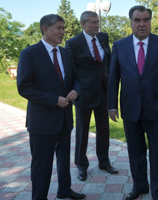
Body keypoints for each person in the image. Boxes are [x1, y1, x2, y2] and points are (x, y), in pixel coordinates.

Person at [107, 5, 158, 200]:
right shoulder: (119, 46)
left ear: (150, 22)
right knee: (135, 153)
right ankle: (140, 187)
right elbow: (113, 78)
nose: (141, 24)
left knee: (157, 156)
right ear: (130, 22)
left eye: (146, 20)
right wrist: (112, 105)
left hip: (156, 109)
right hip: (130, 109)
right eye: (137, 20)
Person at [17, 14, 85, 200]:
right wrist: (53, 99)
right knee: (42, 165)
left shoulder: (66, 54)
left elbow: (76, 79)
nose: (63, 32)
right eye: (59, 28)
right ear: (46, 29)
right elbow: (24, 87)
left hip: (64, 118)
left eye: (64, 28)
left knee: (64, 160)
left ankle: (64, 190)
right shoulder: (29, 53)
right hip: (42, 121)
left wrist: (75, 91)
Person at [65, 11, 118, 181]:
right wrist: (76, 88)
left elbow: (107, 59)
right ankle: (82, 165)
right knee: (82, 131)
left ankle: (104, 161)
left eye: (98, 22)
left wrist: (108, 76)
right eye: (93, 23)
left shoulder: (103, 37)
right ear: (83, 24)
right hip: (84, 93)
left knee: (104, 129)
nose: (97, 25)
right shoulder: (73, 43)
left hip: (103, 90)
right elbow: (70, 70)